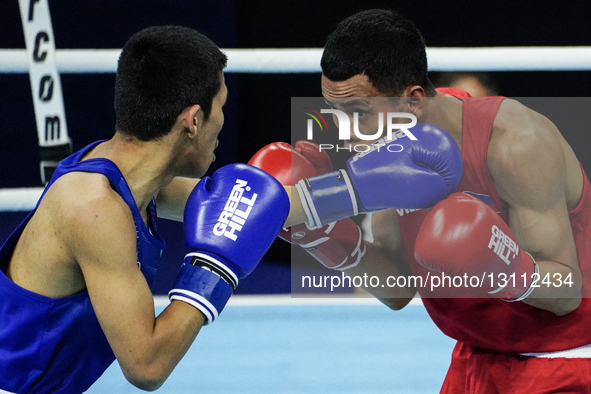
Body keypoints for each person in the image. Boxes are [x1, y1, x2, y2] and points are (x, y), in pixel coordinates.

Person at [252, 9, 591, 393]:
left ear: (412, 100)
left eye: (359, 115)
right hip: (474, 357)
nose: (347, 139)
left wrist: (506, 268)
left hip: (565, 359)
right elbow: (396, 288)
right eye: (338, 116)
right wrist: (322, 236)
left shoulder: (515, 144)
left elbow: (565, 294)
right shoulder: (388, 149)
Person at [0, 26, 289, 393]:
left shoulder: (129, 174)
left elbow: (256, 208)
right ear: (194, 119)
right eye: (222, 106)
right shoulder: (95, 208)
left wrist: (362, 189)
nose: (223, 120)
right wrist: (214, 270)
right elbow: (147, 365)